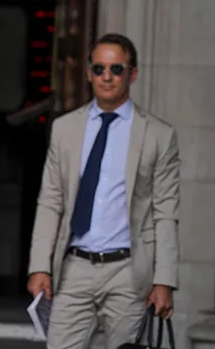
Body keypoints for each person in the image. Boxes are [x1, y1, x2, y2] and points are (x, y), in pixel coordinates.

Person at [27, 33, 180, 349]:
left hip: (128, 271)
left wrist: (164, 280)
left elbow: (165, 212)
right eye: (99, 69)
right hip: (74, 267)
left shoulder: (158, 135)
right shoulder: (65, 129)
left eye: (116, 69)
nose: (107, 77)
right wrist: (40, 266)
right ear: (89, 73)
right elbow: (50, 201)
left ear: (132, 74)